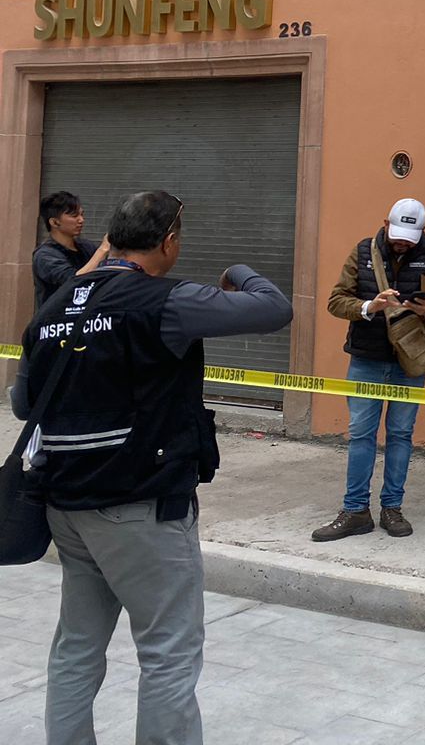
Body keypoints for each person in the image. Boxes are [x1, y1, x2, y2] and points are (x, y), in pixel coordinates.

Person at [13, 190, 292, 745]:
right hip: (140, 507)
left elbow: (23, 404)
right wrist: (237, 271)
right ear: (168, 242)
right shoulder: (166, 301)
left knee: (76, 646)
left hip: (66, 506)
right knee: (168, 651)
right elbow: (274, 307)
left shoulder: (55, 307)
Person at [314, 198, 425, 542]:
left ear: (422, 232)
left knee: (401, 434)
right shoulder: (363, 251)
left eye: (410, 239)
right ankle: (355, 511)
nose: (402, 244)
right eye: (398, 237)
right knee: (361, 434)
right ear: (385, 224)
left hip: (410, 360)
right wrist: (369, 306)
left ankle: (392, 508)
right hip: (366, 357)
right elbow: (336, 301)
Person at [32, 190, 110, 311]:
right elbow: (74, 281)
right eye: (74, 216)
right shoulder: (45, 255)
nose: (81, 220)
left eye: (82, 214)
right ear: (54, 222)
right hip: (56, 319)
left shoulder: (86, 247)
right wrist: (103, 249)